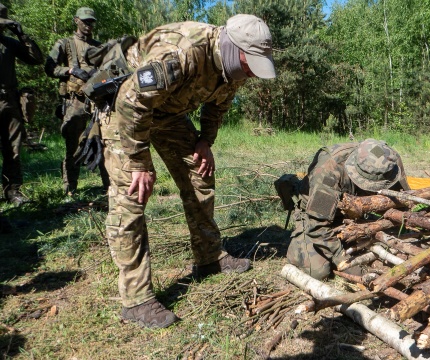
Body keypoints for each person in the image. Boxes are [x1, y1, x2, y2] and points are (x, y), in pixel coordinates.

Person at [98, 15, 276, 328]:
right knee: (132, 193)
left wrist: (205, 141)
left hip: (167, 114)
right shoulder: (182, 53)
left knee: (200, 172)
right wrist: (139, 162)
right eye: (251, 63)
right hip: (124, 111)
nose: (251, 72)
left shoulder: (234, 66)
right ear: (235, 49)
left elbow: (217, 106)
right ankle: (136, 299)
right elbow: (131, 100)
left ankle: (208, 258)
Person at [285, 139, 409, 280]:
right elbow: (317, 225)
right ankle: (298, 244)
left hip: (356, 213)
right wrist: (345, 260)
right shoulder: (329, 172)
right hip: (318, 216)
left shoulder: (389, 160)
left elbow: (403, 200)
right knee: (318, 272)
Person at [45, 7, 109, 195]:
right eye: (85, 21)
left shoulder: (99, 47)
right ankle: (70, 189)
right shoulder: (65, 44)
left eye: (91, 22)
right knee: (73, 146)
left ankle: (110, 186)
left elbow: (109, 70)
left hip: (98, 102)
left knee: (104, 143)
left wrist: (99, 73)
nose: (88, 25)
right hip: (75, 103)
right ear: (76, 21)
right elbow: (49, 67)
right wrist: (70, 71)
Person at [0, 2, 43, 205]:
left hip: (9, 100)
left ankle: (13, 191)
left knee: (13, 148)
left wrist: (22, 35)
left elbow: (36, 59)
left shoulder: (9, 43)